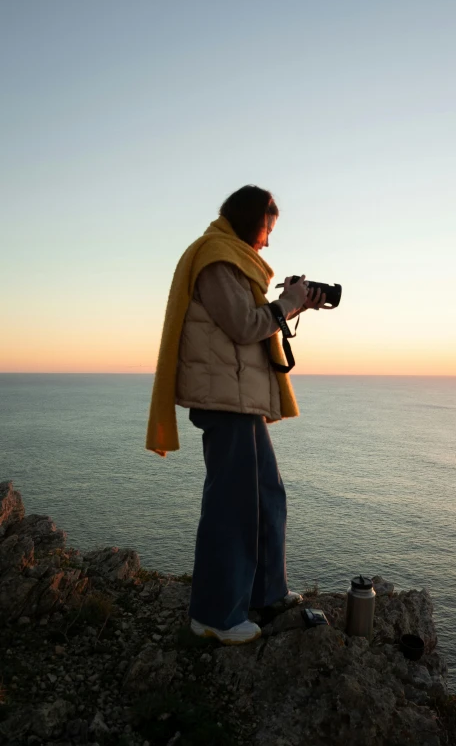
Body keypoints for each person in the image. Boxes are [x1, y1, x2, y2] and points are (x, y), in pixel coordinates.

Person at [146, 185, 329, 645]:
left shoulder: (231, 258)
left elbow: (248, 319)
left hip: (239, 400)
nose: (268, 241)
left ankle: (264, 593)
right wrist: (287, 305)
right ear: (253, 221)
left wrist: (288, 303)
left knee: (267, 495)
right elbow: (244, 324)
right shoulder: (216, 258)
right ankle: (214, 614)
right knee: (232, 505)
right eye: (267, 229)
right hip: (223, 401)